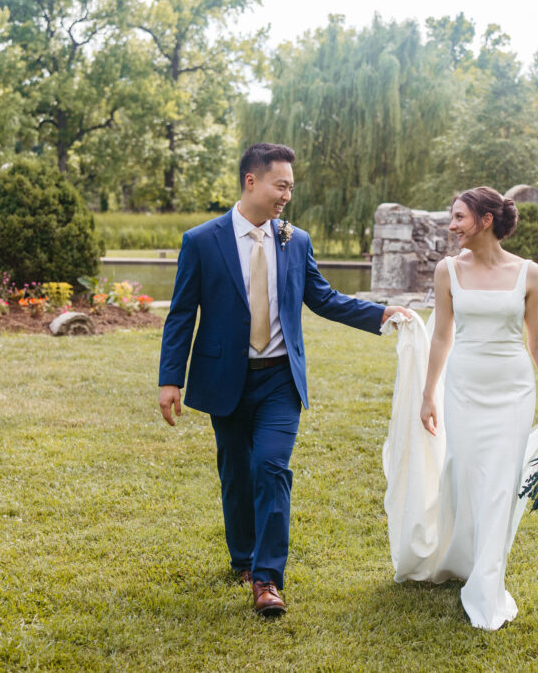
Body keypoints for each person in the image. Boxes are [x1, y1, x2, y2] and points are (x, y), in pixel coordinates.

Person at [157, 142, 409, 617]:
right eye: (281, 185)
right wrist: (171, 378)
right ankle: (243, 559)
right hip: (224, 379)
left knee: (270, 469)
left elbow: (323, 297)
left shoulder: (297, 239)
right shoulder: (202, 241)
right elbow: (181, 314)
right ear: (252, 181)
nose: (287, 195)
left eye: (291, 187)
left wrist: (380, 314)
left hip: (279, 381)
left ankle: (267, 579)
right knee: (235, 474)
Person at [416, 186, 538, 630]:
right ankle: (465, 558)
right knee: (468, 478)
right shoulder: (448, 271)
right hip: (462, 388)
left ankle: (486, 585)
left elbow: (537, 340)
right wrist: (429, 392)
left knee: (501, 484)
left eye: (460, 217)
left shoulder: (529, 273)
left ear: (485, 220)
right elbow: (442, 335)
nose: (452, 225)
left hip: (512, 391)